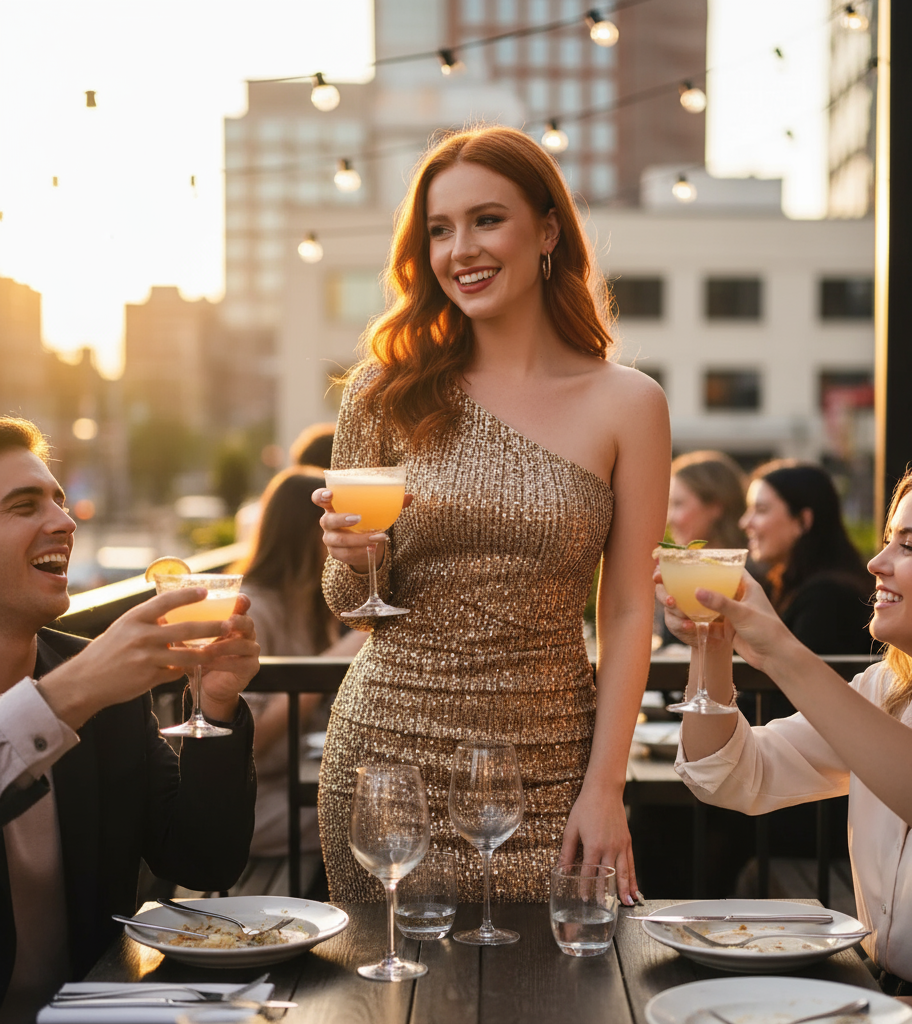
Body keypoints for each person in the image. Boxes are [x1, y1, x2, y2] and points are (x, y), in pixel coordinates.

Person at [312, 126, 670, 905]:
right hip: (387, 756)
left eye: (486, 220)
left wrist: (607, 786)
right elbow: (351, 606)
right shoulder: (384, 391)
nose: (459, 249)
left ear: (547, 230)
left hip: (552, 768)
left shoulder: (630, 404)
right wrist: (353, 556)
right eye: (439, 230)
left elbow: (630, 604)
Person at [691, 427, 912, 1022]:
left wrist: (849, 1012)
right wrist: (712, 643)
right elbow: (728, 777)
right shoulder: (884, 694)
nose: (875, 561)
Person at [0, 416, 259, 1023]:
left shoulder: (99, 680)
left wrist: (214, 706)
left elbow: (204, 861)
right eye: (21, 505)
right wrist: (71, 694)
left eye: (59, 502)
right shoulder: (91, 680)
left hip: (96, 1008)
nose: (64, 522)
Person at [235, 466, 365, 857]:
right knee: (374, 819)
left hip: (298, 782)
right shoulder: (254, 607)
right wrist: (330, 663)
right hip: (257, 801)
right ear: (304, 533)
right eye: (331, 528)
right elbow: (245, 741)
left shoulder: (310, 607)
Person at [741, 460, 873, 656]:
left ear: (803, 520)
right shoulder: (784, 585)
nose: (745, 523)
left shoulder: (827, 598)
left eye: (760, 510)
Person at [659, 451, 747, 651]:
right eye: (670, 505)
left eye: (678, 504)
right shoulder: (679, 574)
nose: (670, 518)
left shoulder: (745, 581)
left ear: (715, 507)